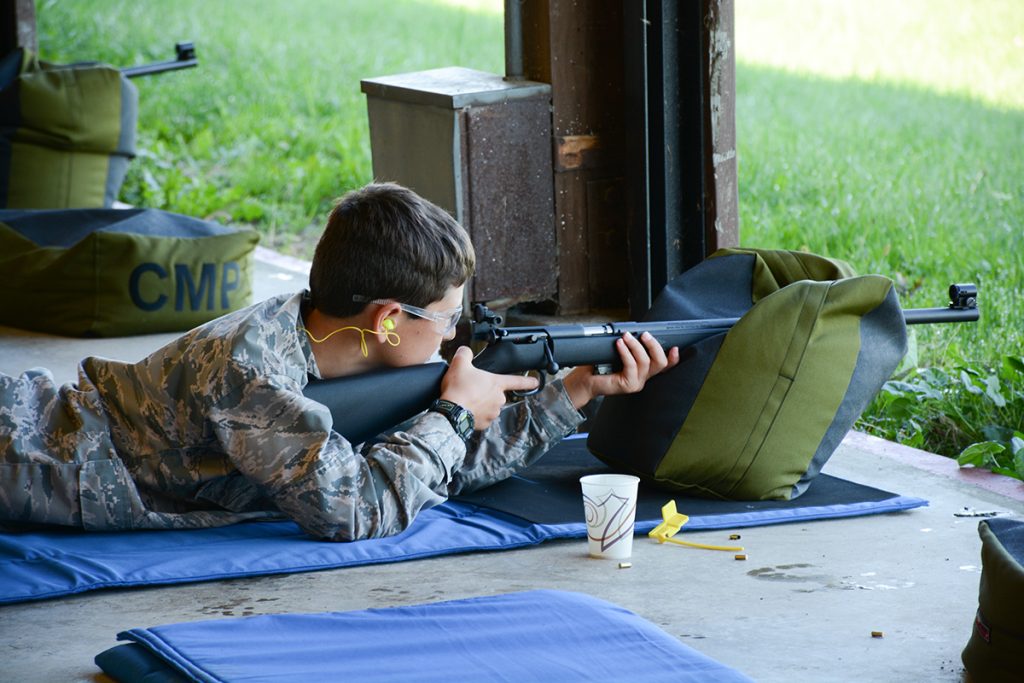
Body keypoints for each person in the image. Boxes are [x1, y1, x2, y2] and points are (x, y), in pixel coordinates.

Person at [0, 182, 679, 541]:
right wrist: (451, 409)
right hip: (26, 455)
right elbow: (355, 509)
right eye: (445, 319)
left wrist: (577, 393)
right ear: (387, 320)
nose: (452, 339)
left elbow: (426, 471)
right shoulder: (253, 369)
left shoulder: (334, 344)